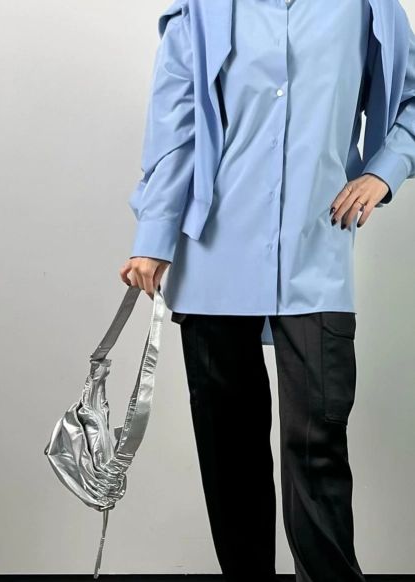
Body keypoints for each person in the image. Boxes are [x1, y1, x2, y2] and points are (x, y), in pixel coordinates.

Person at [120, 0, 415, 580]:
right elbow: (177, 127)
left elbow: (411, 99)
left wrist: (384, 170)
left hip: (316, 255)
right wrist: (153, 236)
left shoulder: (365, 8)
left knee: (317, 448)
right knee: (229, 456)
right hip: (213, 258)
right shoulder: (201, 11)